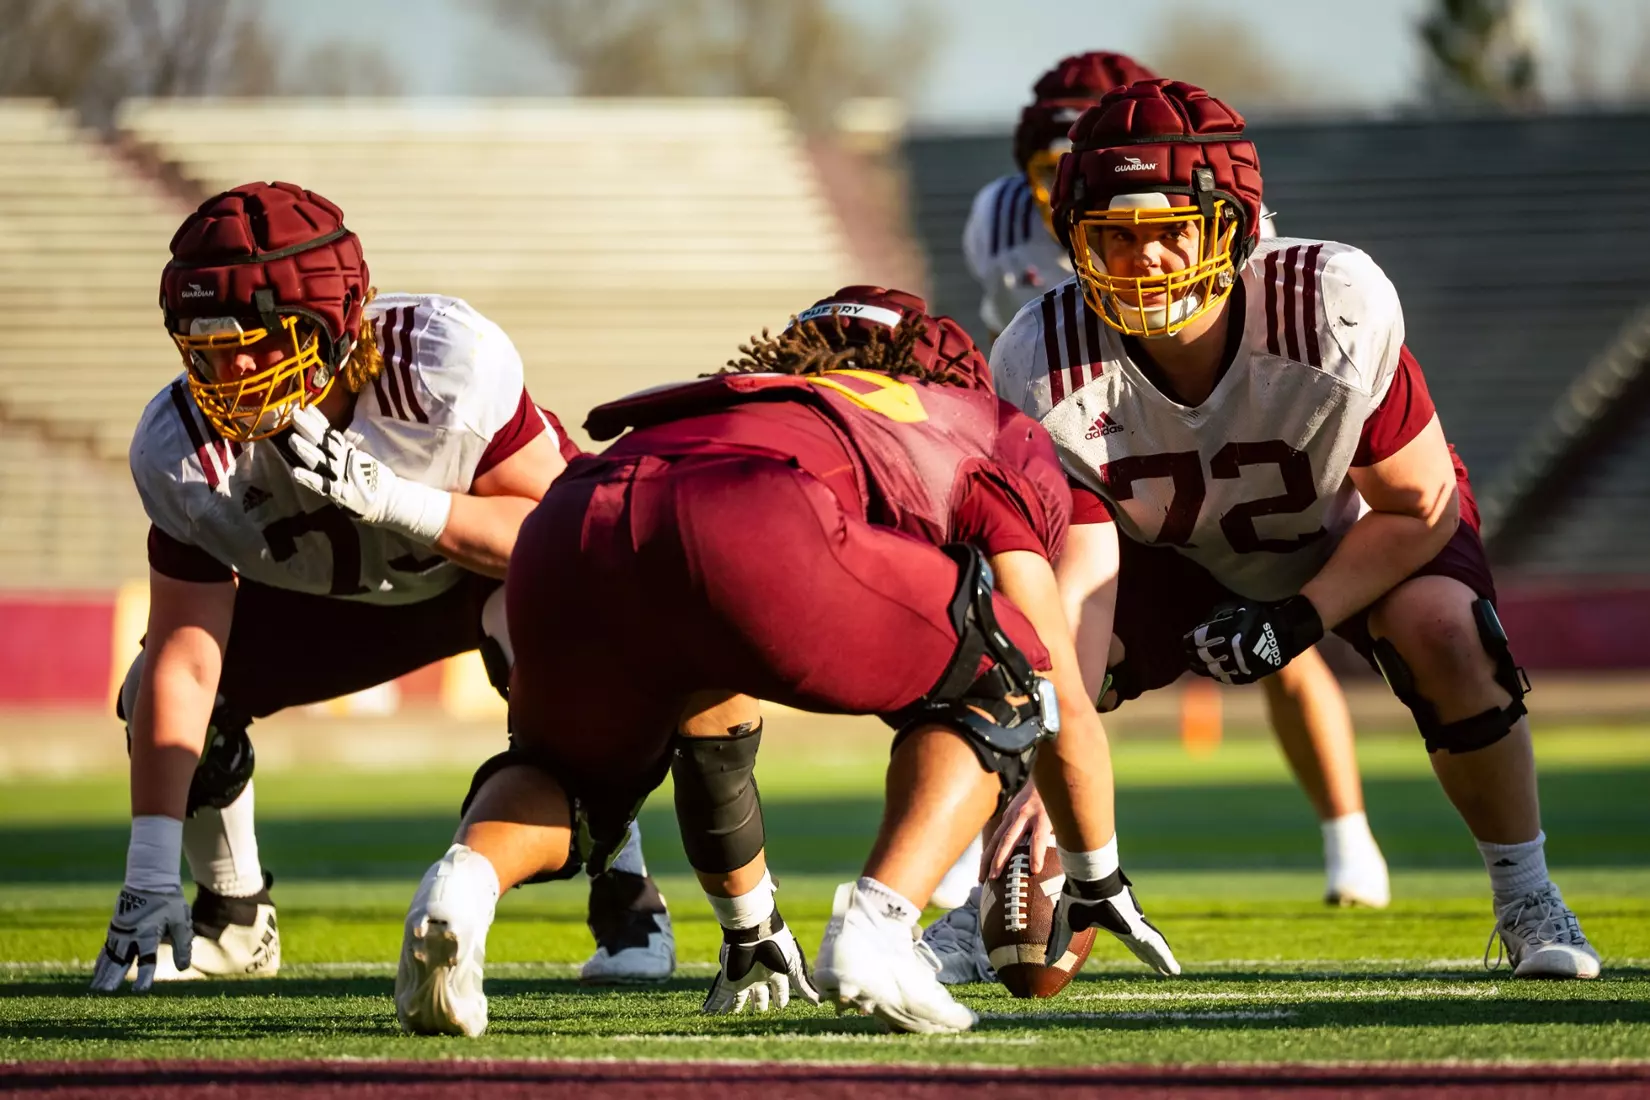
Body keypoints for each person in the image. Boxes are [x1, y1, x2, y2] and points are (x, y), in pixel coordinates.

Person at [392, 287, 1178, 1038]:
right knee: (1006, 680)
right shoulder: (974, 423)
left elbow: (716, 720)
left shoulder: (746, 395)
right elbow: (1056, 688)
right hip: (757, 518)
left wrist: (750, 926)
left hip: (571, 518)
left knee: (574, 787)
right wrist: (1095, 871)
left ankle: (461, 883)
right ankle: (878, 927)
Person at [985, 80, 1598, 980]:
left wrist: (1302, 617)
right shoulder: (1042, 358)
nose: (1142, 258)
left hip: (1344, 529)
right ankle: (973, 906)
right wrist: (1067, 788)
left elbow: (1416, 506)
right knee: (1024, 674)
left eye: (1168, 230)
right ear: (1073, 239)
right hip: (1161, 550)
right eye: (1113, 235)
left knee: (1445, 628)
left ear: (1230, 227)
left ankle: (1527, 895)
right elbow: (1071, 606)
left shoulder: (1328, 304)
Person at [90, 182, 674, 993]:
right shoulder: (180, 446)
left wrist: (400, 501)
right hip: (328, 606)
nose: (237, 371)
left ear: (335, 324)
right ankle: (232, 914)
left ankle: (627, 898)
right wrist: (146, 868)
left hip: (478, 573)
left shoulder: (437, 365)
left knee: (546, 637)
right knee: (150, 683)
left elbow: (563, 543)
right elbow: (186, 660)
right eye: (212, 347)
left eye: (264, 342)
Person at [924, 51, 1390, 984]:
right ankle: (981, 877)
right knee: (1035, 663)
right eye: (1053, 178)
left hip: (1242, 466)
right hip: (1112, 442)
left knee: (1284, 655)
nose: (1069, 191)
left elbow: (1237, 336)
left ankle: (1351, 840)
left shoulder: (1269, 271)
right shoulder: (1005, 236)